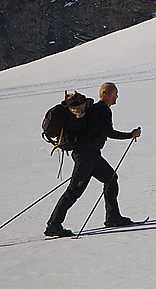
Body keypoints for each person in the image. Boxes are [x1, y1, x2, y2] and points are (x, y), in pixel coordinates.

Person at [45, 82, 141, 237]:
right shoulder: (102, 110)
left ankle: (113, 217)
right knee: (74, 191)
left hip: (91, 155)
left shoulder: (97, 109)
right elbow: (109, 132)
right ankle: (54, 225)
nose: (117, 96)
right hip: (86, 156)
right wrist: (131, 134)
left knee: (110, 178)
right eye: (115, 93)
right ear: (109, 95)